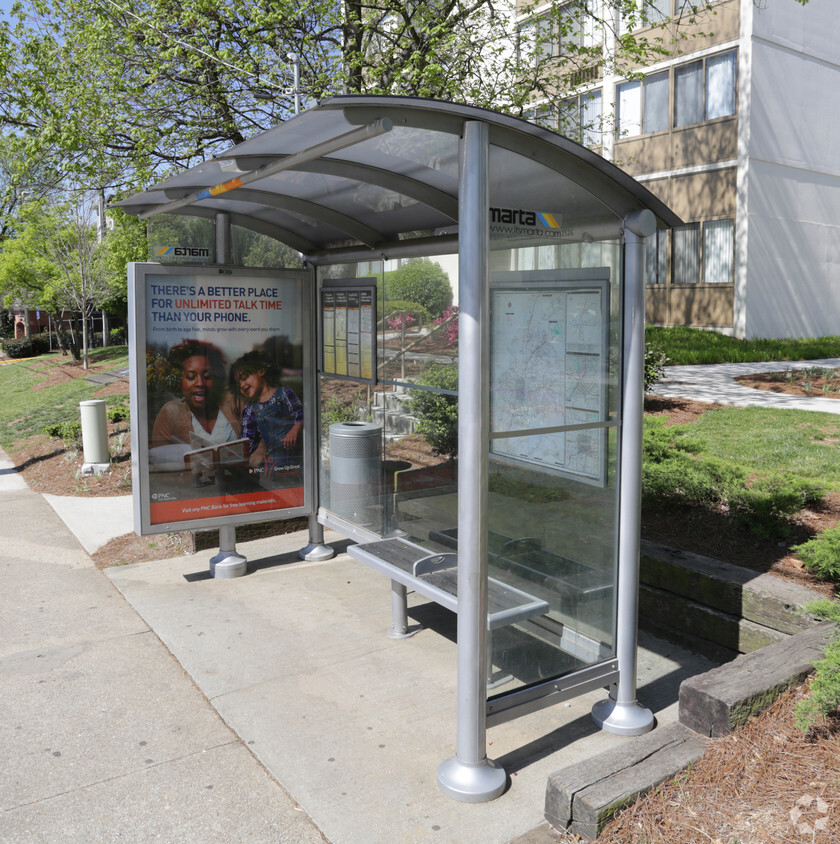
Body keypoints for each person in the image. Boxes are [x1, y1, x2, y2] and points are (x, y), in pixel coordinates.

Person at [151, 340, 241, 450]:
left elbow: (260, 438)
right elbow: (158, 459)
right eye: (190, 377)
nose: (200, 383)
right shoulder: (171, 413)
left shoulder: (233, 400)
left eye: (207, 376)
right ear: (179, 382)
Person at [230, 349, 303, 485]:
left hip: (298, 458)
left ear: (261, 371)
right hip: (276, 462)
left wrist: (295, 428)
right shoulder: (250, 409)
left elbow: (300, 414)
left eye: (245, 377)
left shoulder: (284, 394)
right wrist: (238, 457)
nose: (242, 385)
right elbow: (248, 440)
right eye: (238, 383)